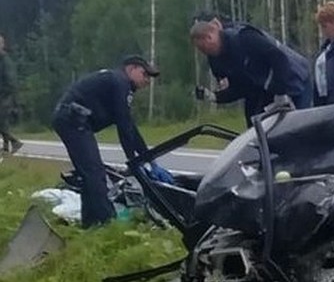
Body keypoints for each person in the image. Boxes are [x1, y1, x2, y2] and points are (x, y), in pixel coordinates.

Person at [52, 56, 173, 228]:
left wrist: (150, 161)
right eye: (144, 74)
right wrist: (135, 164)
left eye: (150, 77)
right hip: (73, 120)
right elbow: (124, 129)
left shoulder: (118, 83)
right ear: (131, 69)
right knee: (95, 173)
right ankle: (106, 223)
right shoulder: (120, 82)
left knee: (90, 174)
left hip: (72, 120)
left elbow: (130, 128)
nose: (147, 80)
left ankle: (91, 223)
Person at [190, 15, 313, 127]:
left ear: (210, 37)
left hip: (295, 78)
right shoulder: (217, 61)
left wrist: (281, 93)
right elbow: (242, 88)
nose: (203, 52)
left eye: (202, 48)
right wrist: (214, 97)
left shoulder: (244, 37)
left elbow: (279, 58)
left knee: (297, 129)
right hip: (266, 90)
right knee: (257, 131)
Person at [0, 34, 22, 154]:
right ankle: (5, 146)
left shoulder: (5, 61)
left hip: (5, 96)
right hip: (2, 95)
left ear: (2, 45)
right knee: (2, 121)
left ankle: (15, 142)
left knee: (2, 121)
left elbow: (10, 80)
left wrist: (11, 97)